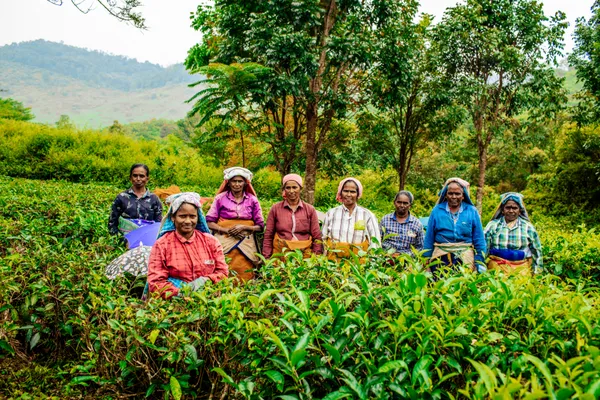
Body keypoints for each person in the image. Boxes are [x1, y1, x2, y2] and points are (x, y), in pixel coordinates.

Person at [147, 192, 228, 299]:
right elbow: (156, 281)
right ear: (173, 218)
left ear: (198, 218)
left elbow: (222, 272)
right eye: (182, 216)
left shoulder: (211, 242)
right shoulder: (162, 245)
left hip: (207, 299)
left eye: (192, 216)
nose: (188, 221)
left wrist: (205, 280)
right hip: (173, 303)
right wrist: (178, 293)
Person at [205, 167, 264, 281]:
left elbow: (260, 225)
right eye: (234, 181)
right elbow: (209, 222)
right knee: (224, 263)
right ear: (229, 183)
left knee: (246, 267)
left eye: (240, 181)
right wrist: (228, 230)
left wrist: (244, 227)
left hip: (246, 239)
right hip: (224, 238)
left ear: (245, 183)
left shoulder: (252, 200)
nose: (237, 184)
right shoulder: (220, 199)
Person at [423, 178, 486, 273]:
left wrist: (479, 262)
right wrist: (426, 262)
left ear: (463, 196)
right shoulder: (437, 211)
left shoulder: (471, 211)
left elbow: (479, 239)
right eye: (450, 193)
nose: (453, 196)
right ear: (446, 195)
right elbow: (429, 238)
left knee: (465, 283)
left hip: (465, 254)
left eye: (457, 194)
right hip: (441, 253)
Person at [263, 174, 323, 259]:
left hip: (304, 255)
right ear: (284, 190)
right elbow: (268, 235)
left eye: (295, 187)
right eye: (288, 188)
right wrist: (267, 257)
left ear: (300, 188)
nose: (291, 191)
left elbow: (317, 236)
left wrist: (316, 258)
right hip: (281, 254)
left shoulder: (309, 209)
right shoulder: (275, 209)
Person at [322, 177, 381, 261]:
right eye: (346, 191)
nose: (349, 194)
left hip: (358, 263)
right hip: (333, 262)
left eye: (353, 192)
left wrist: (374, 262)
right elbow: (323, 238)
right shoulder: (331, 213)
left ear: (358, 194)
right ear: (340, 193)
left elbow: (375, 241)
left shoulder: (367, 215)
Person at [484, 192, 543, 275]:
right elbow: (484, 248)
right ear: (502, 210)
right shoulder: (493, 226)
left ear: (519, 211)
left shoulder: (528, 227)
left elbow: (537, 251)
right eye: (508, 207)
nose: (511, 211)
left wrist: (537, 272)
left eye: (514, 208)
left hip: (520, 269)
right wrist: (481, 267)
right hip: (496, 268)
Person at [108, 163, 163, 235]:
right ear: (130, 178)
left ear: (147, 179)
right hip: (125, 240)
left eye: (142, 176)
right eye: (135, 176)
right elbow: (112, 223)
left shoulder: (154, 199)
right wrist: (121, 240)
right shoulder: (122, 197)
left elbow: (158, 225)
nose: (138, 179)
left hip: (148, 240)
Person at [380, 190, 424, 256]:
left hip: (407, 261)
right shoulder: (385, 220)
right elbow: (378, 240)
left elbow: (420, 247)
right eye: (399, 202)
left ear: (410, 205)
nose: (402, 205)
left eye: (405, 203)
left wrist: (403, 255)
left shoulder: (416, 224)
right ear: (394, 203)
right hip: (386, 258)